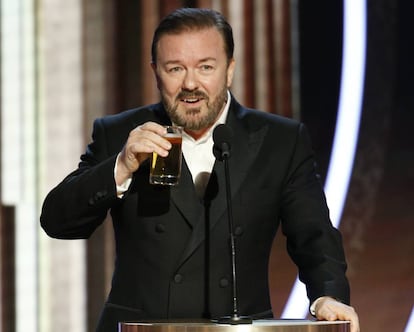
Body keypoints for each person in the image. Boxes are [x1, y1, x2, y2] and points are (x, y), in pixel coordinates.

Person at [40, 7, 360, 332]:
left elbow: (314, 236)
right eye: (175, 68)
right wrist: (120, 167)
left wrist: (327, 296)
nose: (190, 83)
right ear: (155, 71)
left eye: (205, 67)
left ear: (229, 70)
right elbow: (57, 221)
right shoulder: (122, 134)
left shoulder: (279, 141)